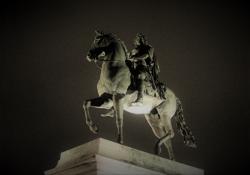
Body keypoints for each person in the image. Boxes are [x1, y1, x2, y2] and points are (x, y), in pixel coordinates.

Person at [128, 33, 163, 105]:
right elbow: (128, 56)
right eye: (137, 39)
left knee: (140, 74)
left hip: (144, 67)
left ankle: (140, 98)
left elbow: (146, 55)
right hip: (133, 67)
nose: (137, 40)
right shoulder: (133, 50)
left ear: (143, 40)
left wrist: (134, 58)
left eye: (139, 39)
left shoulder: (149, 48)